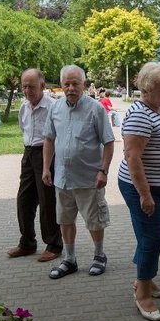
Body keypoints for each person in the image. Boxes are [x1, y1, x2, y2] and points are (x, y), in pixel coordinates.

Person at [118, 62, 160, 321]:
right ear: (146, 89)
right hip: (145, 189)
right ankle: (143, 294)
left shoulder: (158, 109)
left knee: (155, 236)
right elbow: (132, 158)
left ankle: (145, 281)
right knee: (153, 237)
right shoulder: (139, 114)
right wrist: (145, 195)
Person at [42, 65, 115, 279]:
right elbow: (48, 138)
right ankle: (70, 259)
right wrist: (46, 167)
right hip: (62, 179)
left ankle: (99, 256)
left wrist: (103, 171)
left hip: (89, 178)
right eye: (67, 84)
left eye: (75, 83)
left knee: (94, 220)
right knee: (65, 220)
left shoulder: (95, 109)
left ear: (83, 84)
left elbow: (109, 142)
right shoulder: (55, 109)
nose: (71, 88)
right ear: (62, 85)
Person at [8, 68, 63, 262]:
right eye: (24, 86)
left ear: (42, 86)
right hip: (29, 154)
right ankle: (27, 243)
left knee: (47, 201)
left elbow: (59, 135)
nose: (27, 90)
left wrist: (49, 163)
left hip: (47, 154)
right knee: (24, 200)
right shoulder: (24, 107)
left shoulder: (54, 107)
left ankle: (54, 245)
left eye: (31, 86)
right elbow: (24, 129)